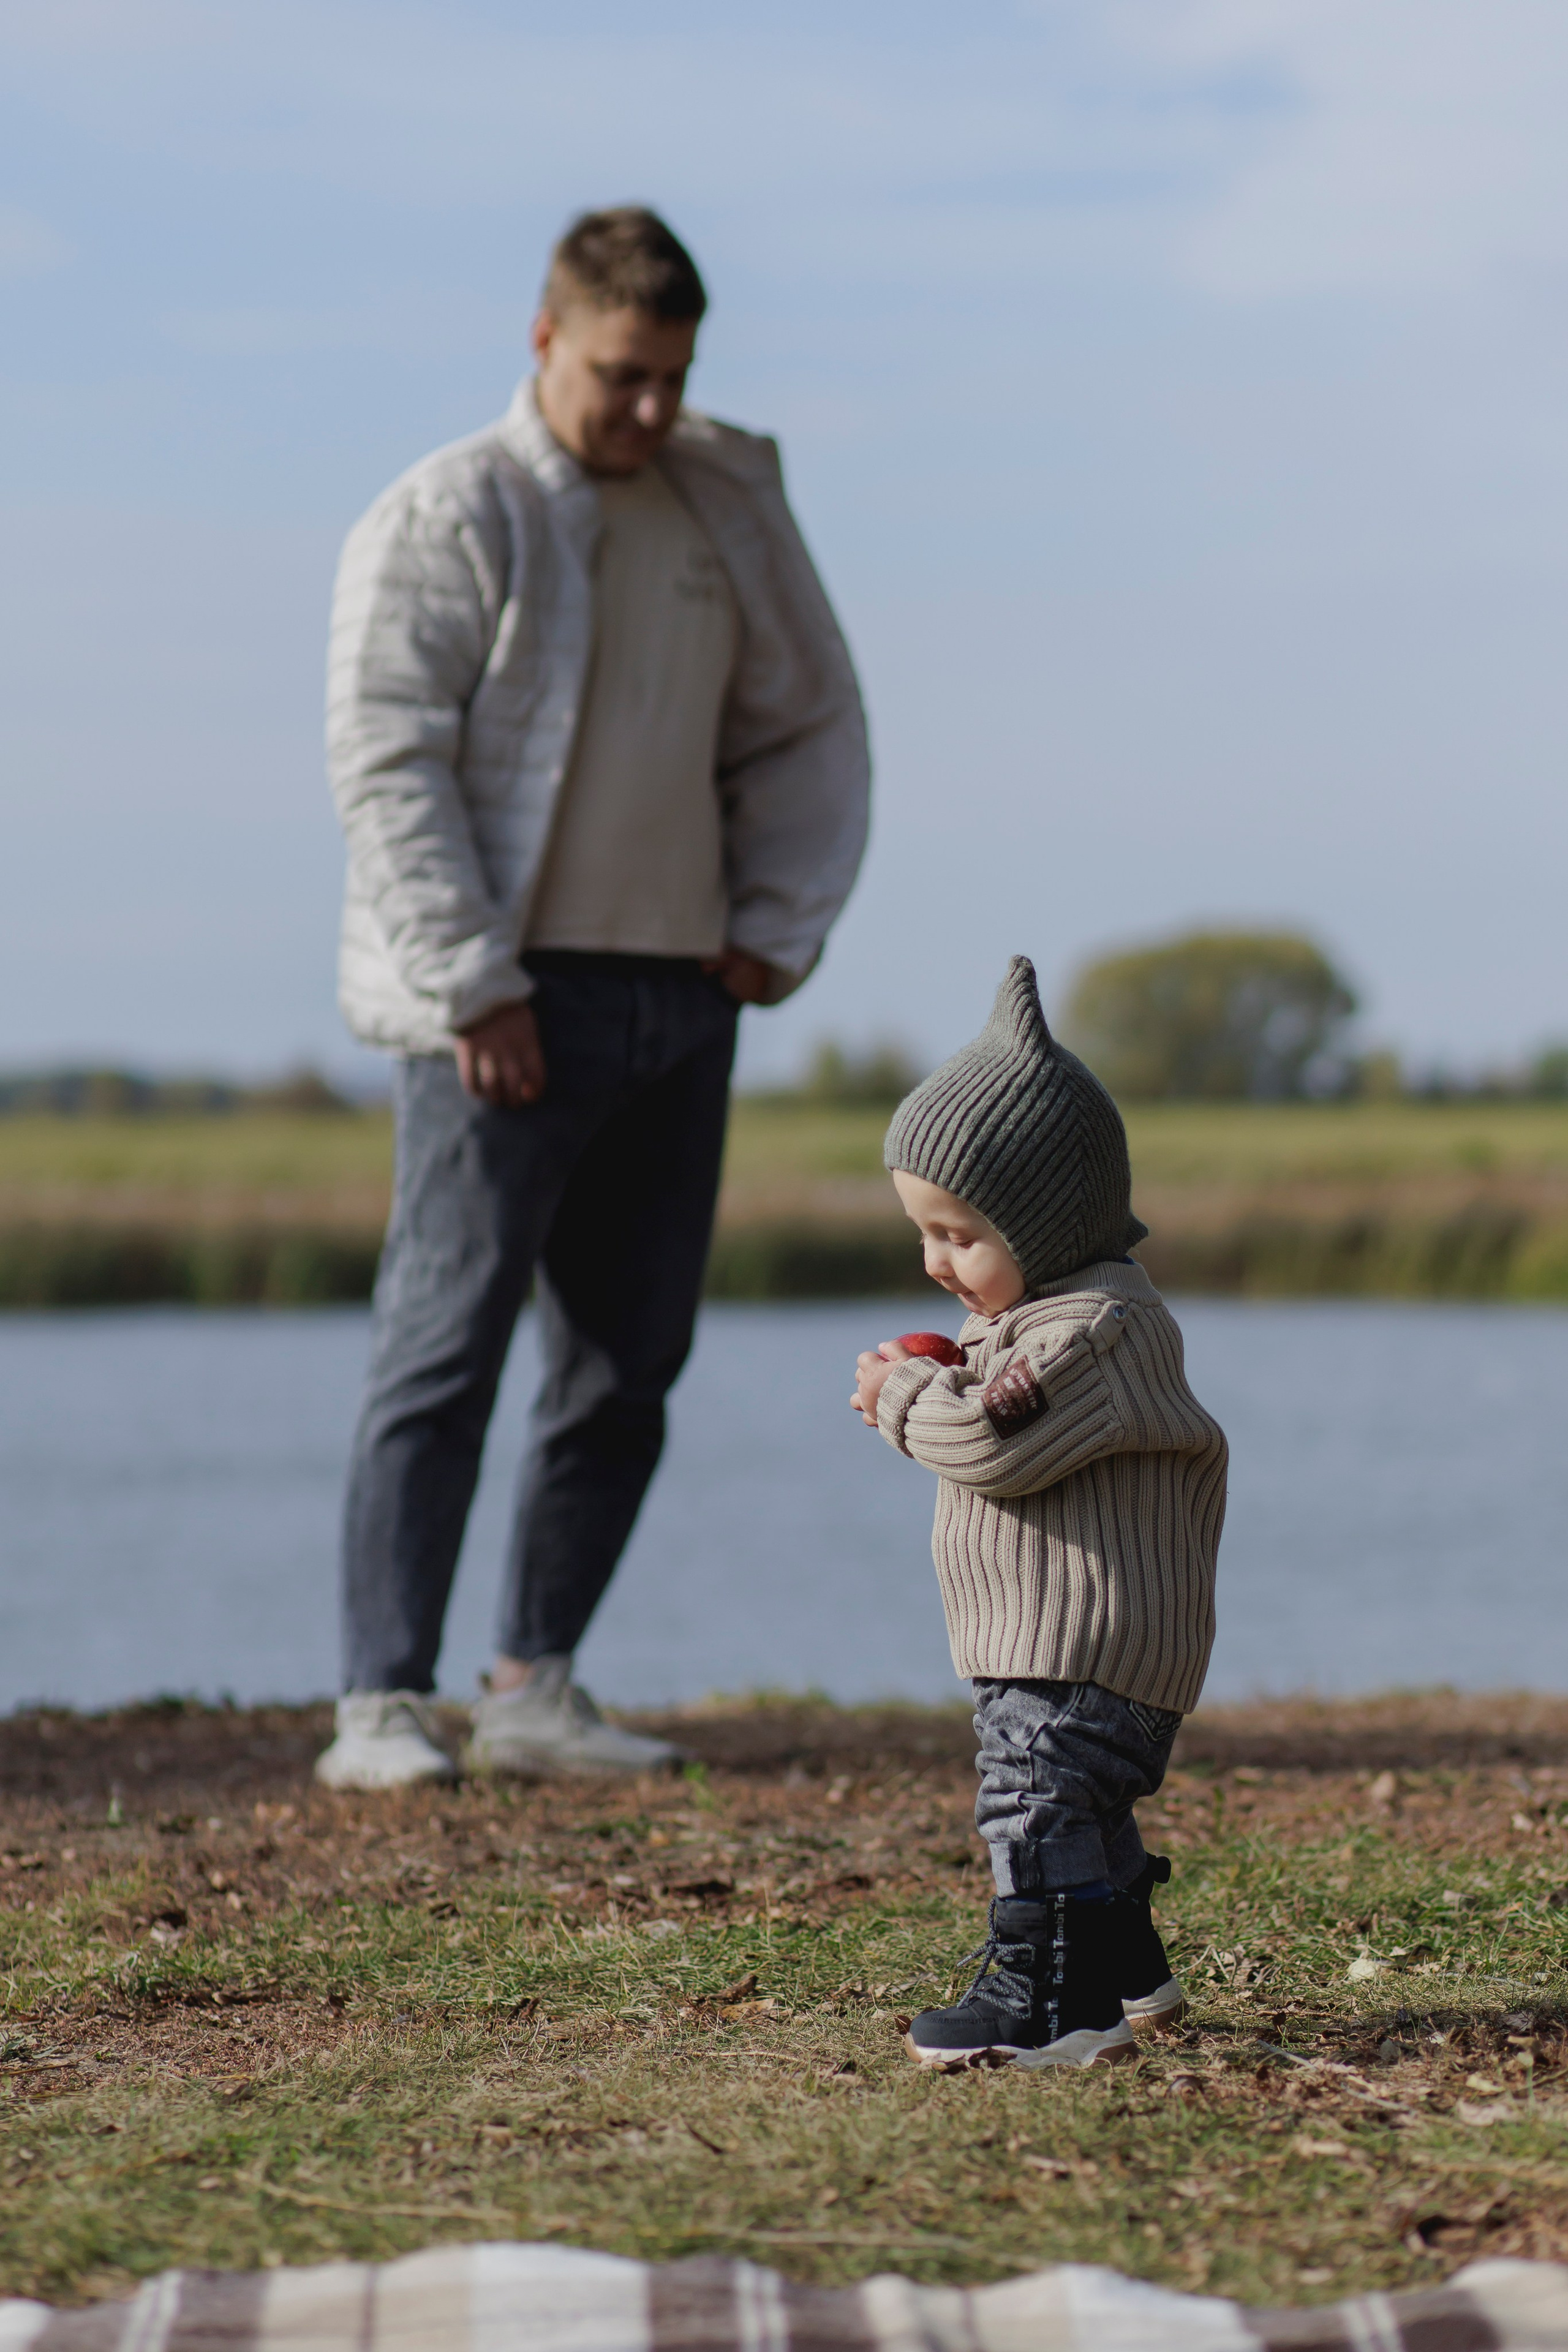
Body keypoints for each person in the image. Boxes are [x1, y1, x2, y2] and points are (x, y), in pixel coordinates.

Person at [315, 207, 870, 1791]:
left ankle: (532, 1689)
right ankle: (379, 1705)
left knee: (627, 1364)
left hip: (683, 992)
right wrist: (473, 983)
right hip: (502, 1006)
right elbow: (386, 761)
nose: (650, 407)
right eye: (622, 374)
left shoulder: (722, 504)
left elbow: (810, 724)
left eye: (673, 377)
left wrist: (771, 929)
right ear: (545, 337)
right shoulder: (448, 511)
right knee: (443, 1347)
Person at [850, 957, 1227, 2069]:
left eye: (960, 1235)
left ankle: (1051, 1999)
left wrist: (905, 1394)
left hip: (1085, 1653)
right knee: (1081, 1811)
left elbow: (989, 1443)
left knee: (1032, 1801)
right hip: (1064, 1646)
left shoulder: (1091, 1335)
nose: (936, 1261)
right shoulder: (1043, 1322)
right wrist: (935, 1378)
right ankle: (1127, 1966)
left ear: (1049, 1223)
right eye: (923, 1231)